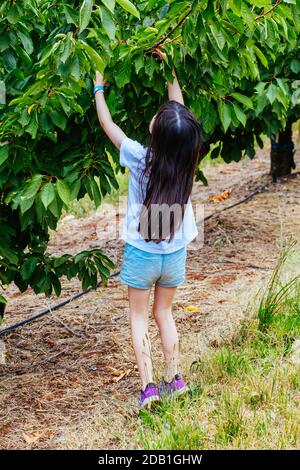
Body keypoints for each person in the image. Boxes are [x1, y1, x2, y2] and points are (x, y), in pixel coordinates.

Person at [94, 49, 208, 408]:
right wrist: (170, 71)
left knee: (139, 317)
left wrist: (98, 89)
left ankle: (148, 389)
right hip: (174, 255)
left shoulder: (140, 158)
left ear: (155, 133)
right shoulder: (188, 160)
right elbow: (181, 116)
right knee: (165, 314)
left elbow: (108, 127)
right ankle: (174, 379)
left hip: (142, 254)